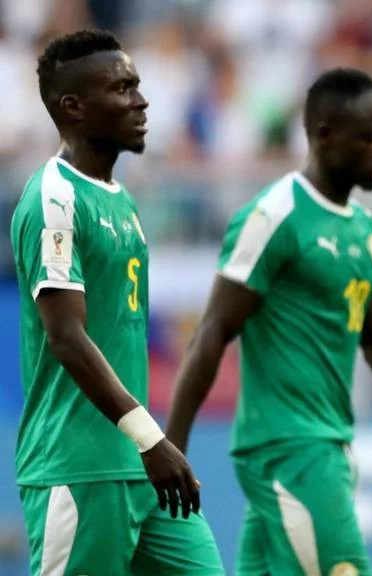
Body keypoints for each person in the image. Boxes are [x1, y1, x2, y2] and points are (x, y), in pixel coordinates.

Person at [165, 68, 372, 576]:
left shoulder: (365, 230)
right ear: (325, 135)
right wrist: (173, 445)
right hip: (288, 451)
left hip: (327, 447)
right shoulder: (274, 216)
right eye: (370, 137)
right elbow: (212, 331)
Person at [9, 29, 223, 575]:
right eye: (122, 88)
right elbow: (66, 336)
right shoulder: (54, 199)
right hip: (79, 468)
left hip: (140, 465)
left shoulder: (121, 200)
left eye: (137, 85)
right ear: (74, 107)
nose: (141, 100)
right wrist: (150, 437)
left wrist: (148, 444)